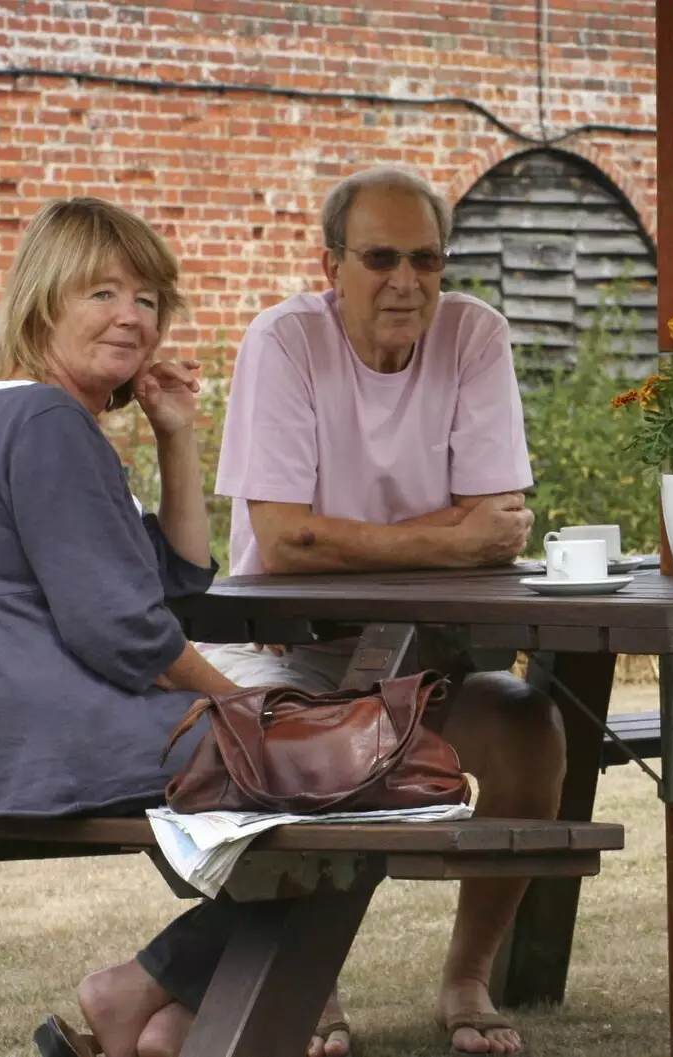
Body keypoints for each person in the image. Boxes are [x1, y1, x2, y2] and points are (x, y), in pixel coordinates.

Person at [0, 197, 312, 1057]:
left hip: (21, 733)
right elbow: (127, 633)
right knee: (322, 773)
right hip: (38, 736)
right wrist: (243, 714)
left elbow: (174, 581)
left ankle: (167, 1017)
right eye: (101, 293)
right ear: (43, 301)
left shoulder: (45, 418)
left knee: (318, 771)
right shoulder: (47, 422)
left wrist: (176, 435)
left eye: (146, 298)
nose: (131, 317)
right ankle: (137, 991)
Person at [202, 166, 564, 1056]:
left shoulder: (475, 334)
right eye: (381, 258)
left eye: (427, 259)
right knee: (285, 744)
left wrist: (360, 534)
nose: (407, 281)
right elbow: (283, 543)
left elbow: (504, 522)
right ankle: (308, 986)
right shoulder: (282, 343)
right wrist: (449, 535)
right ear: (330, 263)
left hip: (424, 649)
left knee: (530, 731)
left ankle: (467, 977)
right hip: (283, 646)